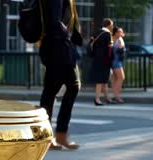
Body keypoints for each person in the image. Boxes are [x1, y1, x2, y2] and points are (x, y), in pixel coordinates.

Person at [39, 0, 83, 150]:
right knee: (73, 86)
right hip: (59, 49)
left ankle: (48, 135)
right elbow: (54, 21)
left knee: (50, 91)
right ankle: (58, 134)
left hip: (55, 48)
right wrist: (66, 36)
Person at [91, 19, 114, 106]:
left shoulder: (96, 33)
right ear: (108, 25)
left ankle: (107, 98)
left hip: (96, 59)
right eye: (112, 25)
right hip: (104, 60)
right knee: (100, 80)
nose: (112, 26)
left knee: (104, 80)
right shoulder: (107, 34)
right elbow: (110, 49)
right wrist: (111, 60)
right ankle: (97, 99)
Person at [110, 26, 126, 104]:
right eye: (118, 31)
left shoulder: (114, 39)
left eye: (121, 31)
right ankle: (116, 96)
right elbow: (120, 51)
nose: (120, 33)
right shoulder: (118, 40)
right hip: (116, 61)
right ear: (116, 33)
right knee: (121, 77)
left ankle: (115, 95)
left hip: (114, 61)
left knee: (115, 79)